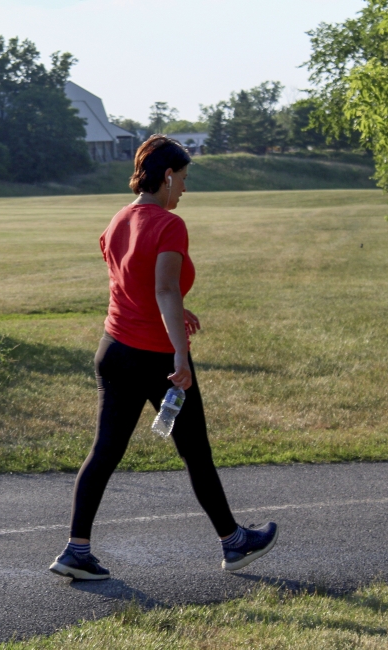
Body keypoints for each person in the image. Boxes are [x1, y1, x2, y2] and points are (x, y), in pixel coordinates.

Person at [49, 135, 277, 581]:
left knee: (105, 451)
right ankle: (234, 544)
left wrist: (176, 310)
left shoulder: (116, 220)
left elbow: (131, 284)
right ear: (167, 176)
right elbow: (164, 288)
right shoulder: (169, 225)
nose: (185, 191)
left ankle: (76, 551)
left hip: (113, 349)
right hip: (154, 356)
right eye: (184, 180)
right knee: (195, 451)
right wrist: (180, 355)